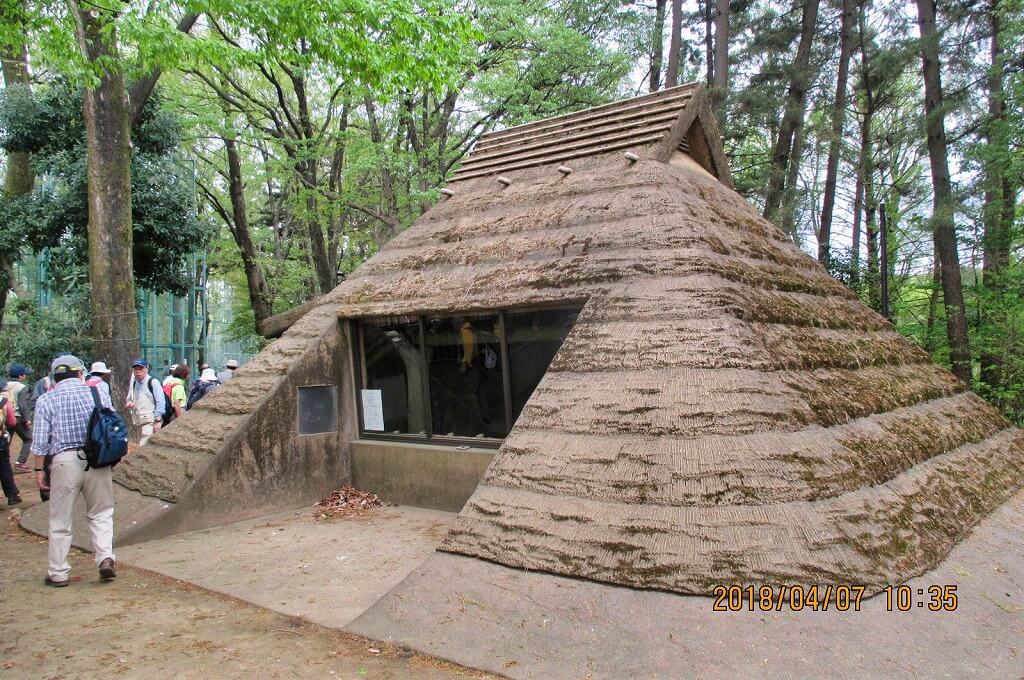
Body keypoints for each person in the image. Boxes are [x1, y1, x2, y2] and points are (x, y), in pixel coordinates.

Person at [31, 354, 116, 586]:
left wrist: (39, 470)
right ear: (81, 374)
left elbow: (39, 442)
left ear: (54, 377)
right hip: (97, 460)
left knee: (60, 519)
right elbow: (110, 423)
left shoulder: (46, 400)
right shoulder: (96, 393)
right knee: (101, 512)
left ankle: (58, 573)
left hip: (64, 461)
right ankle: (105, 558)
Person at [125, 358, 165, 446]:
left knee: (144, 444)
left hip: (151, 421)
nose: (138, 371)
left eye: (140, 369)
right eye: (136, 369)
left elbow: (160, 402)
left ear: (146, 369)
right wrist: (132, 403)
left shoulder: (153, 382)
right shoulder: (136, 383)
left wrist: (158, 421)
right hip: (139, 421)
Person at [8, 364, 33, 472]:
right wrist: (27, 419)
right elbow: (23, 405)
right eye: (24, 375)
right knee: (29, 439)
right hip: (17, 417)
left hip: (5, 417)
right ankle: (20, 463)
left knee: (5, 441)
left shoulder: (5, 385)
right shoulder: (22, 387)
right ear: (21, 376)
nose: (25, 377)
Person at [0, 379, 21, 505]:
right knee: (4, 467)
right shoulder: (4, 402)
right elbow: (12, 422)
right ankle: (12, 496)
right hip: (1, 440)